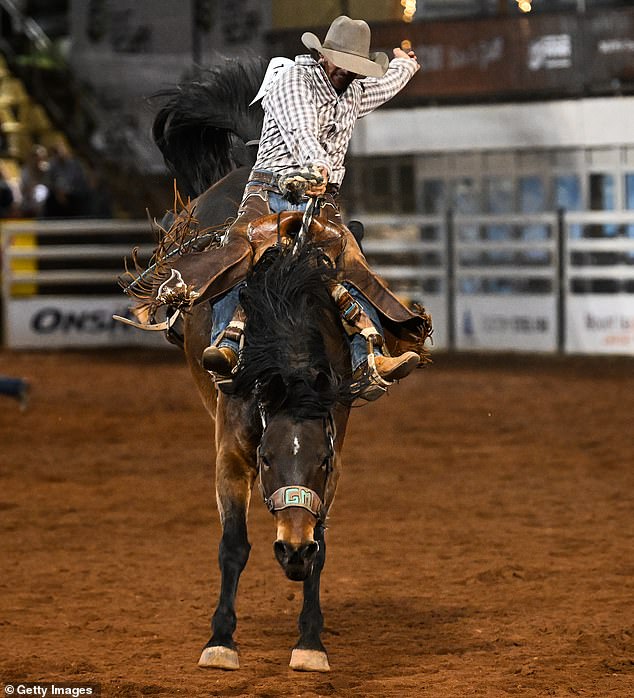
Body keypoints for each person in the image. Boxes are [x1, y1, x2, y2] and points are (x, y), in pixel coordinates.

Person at [201, 16, 426, 392]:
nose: (350, 74)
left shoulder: (352, 88)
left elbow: (384, 85)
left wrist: (407, 64)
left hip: (321, 201)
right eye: (345, 64)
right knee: (242, 250)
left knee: (351, 263)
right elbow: (301, 131)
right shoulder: (293, 80)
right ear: (325, 57)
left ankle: (368, 357)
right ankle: (225, 343)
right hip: (271, 189)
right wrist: (318, 167)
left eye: (357, 68)